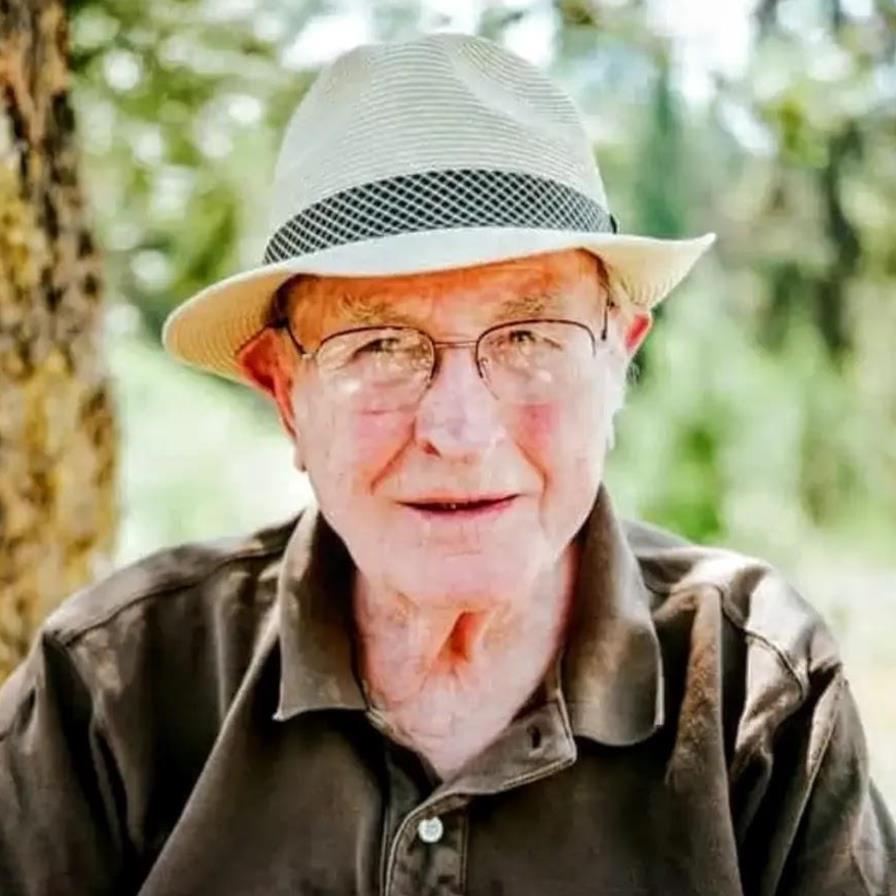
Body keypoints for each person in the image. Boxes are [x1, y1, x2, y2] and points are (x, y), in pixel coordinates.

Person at [0, 31, 892, 896]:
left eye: (529, 336)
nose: (460, 432)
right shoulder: (114, 689)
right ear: (284, 393)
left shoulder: (755, 690)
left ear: (617, 361)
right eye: (380, 345)